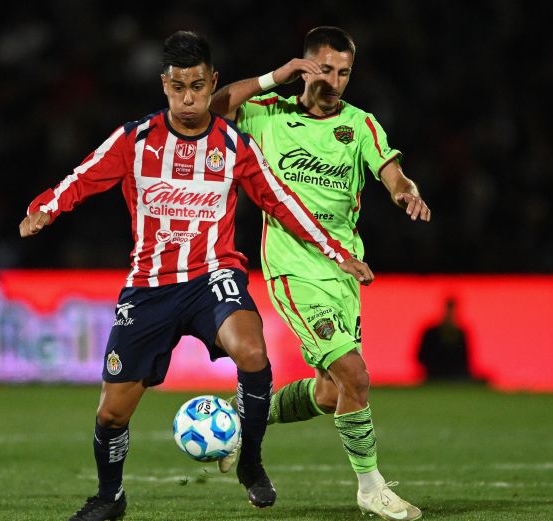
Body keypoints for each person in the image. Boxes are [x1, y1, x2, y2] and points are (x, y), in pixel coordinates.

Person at [19, 31, 374, 521]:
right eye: (178, 87)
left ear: (214, 84)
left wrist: (336, 251)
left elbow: (283, 202)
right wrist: (46, 207)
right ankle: (110, 497)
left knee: (252, 351)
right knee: (112, 412)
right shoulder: (135, 140)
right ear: (164, 84)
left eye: (198, 87)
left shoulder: (234, 144)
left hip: (214, 276)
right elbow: (84, 176)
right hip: (149, 287)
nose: (189, 99)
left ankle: (250, 460)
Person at [209, 26, 429, 521]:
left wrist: (404, 192)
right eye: (325, 68)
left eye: (344, 71)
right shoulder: (269, 115)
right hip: (292, 269)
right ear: (305, 66)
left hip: (346, 270)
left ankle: (247, 416)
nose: (334, 80)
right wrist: (273, 77)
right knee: (357, 375)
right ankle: (371, 487)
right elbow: (215, 107)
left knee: (333, 392)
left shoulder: (361, 124)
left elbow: (393, 172)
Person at [417, 297, 473, 381]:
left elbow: (466, 361)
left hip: (457, 378)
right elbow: (421, 357)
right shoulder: (430, 333)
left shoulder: (461, 334)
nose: (450, 314)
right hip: (434, 377)